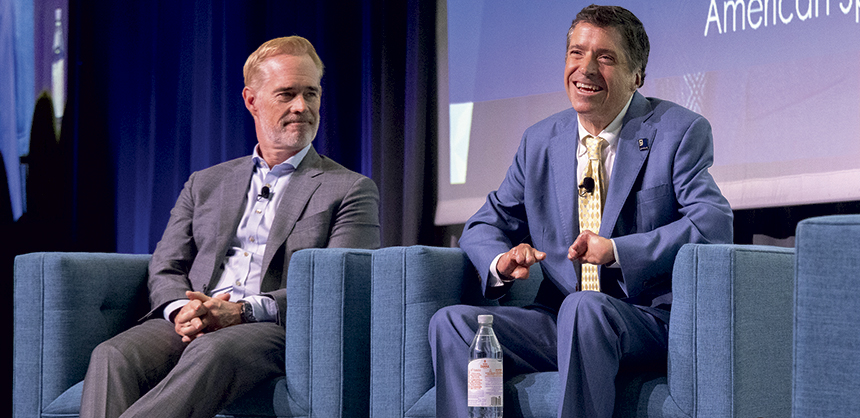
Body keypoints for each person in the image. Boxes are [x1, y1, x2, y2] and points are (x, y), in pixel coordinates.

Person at [430, 5, 733, 418]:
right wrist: (502, 261)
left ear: (637, 76)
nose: (585, 69)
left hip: (644, 319)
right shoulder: (540, 141)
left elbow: (712, 223)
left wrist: (618, 251)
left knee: (584, 307)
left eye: (605, 57)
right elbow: (486, 222)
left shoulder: (678, 131)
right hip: (559, 317)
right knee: (452, 325)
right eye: (577, 53)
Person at [79, 36, 380, 418]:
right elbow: (166, 264)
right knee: (113, 354)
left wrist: (241, 312)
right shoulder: (205, 183)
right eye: (286, 94)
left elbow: (342, 286)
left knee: (211, 350)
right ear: (251, 101)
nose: (302, 107)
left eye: (311, 93)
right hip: (195, 315)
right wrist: (181, 310)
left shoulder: (350, 188)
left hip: (273, 328)